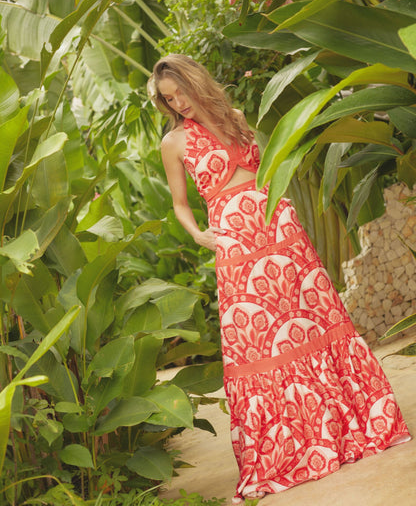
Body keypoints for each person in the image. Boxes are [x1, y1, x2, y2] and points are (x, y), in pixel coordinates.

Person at [148, 54, 411, 503]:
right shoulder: (173, 142)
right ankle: (290, 448)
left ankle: (343, 428)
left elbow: (266, 167)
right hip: (233, 239)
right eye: (170, 100)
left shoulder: (234, 118)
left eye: (181, 94)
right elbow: (180, 203)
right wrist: (201, 236)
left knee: (313, 321)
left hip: (277, 224)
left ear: (195, 83)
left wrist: (281, 206)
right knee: (261, 342)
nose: (179, 105)